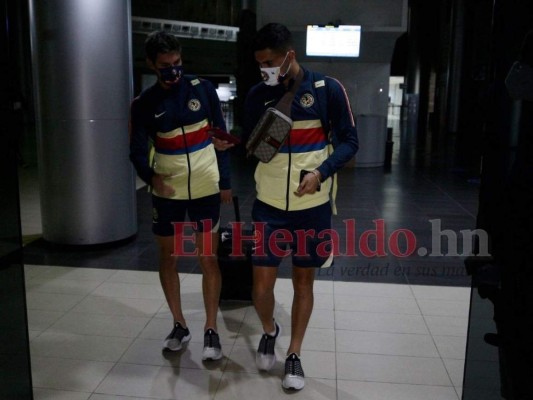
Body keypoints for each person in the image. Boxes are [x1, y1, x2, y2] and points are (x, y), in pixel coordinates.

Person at [243, 23, 358, 390]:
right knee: (261, 287)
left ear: (289, 55)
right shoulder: (257, 95)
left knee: (303, 282)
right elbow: (256, 151)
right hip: (269, 206)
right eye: (260, 64)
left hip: (313, 206)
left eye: (271, 62)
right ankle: (269, 329)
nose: (266, 69)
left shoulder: (327, 89)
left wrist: (322, 173)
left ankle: (293, 353)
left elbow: (350, 142)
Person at [129, 30, 233, 361]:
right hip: (168, 193)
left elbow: (221, 137)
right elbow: (134, 151)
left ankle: (211, 329)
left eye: (177, 63)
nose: (172, 71)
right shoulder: (144, 104)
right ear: (151, 65)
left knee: (208, 258)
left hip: (205, 188)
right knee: (169, 258)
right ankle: (179, 324)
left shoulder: (203, 90)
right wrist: (151, 178)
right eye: (164, 66)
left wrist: (225, 181)